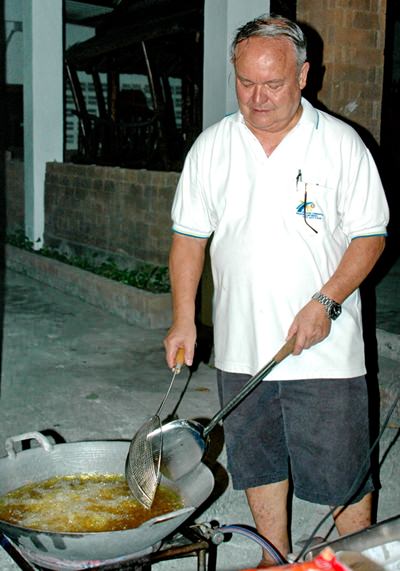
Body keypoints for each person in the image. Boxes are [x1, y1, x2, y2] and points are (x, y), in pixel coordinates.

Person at [164, 14, 389, 567]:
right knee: (259, 461)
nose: (258, 97)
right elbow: (189, 239)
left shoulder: (340, 144)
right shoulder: (213, 147)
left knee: (343, 472)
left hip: (324, 348)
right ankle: (273, 556)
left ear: (304, 75)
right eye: (246, 83)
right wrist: (183, 318)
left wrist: (327, 300)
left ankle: (355, 562)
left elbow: (370, 237)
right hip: (244, 346)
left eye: (274, 84)